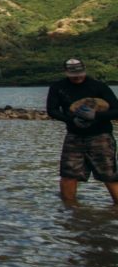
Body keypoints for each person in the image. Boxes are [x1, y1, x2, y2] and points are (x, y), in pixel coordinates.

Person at [45, 58, 118, 204]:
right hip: (74, 136)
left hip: (100, 136)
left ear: (85, 70)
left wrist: (95, 115)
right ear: (66, 73)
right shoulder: (58, 87)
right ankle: (71, 213)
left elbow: (117, 111)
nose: (77, 77)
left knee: (110, 175)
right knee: (68, 175)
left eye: (80, 73)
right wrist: (70, 120)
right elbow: (52, 110)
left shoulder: (99, 86)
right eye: (73, 74)